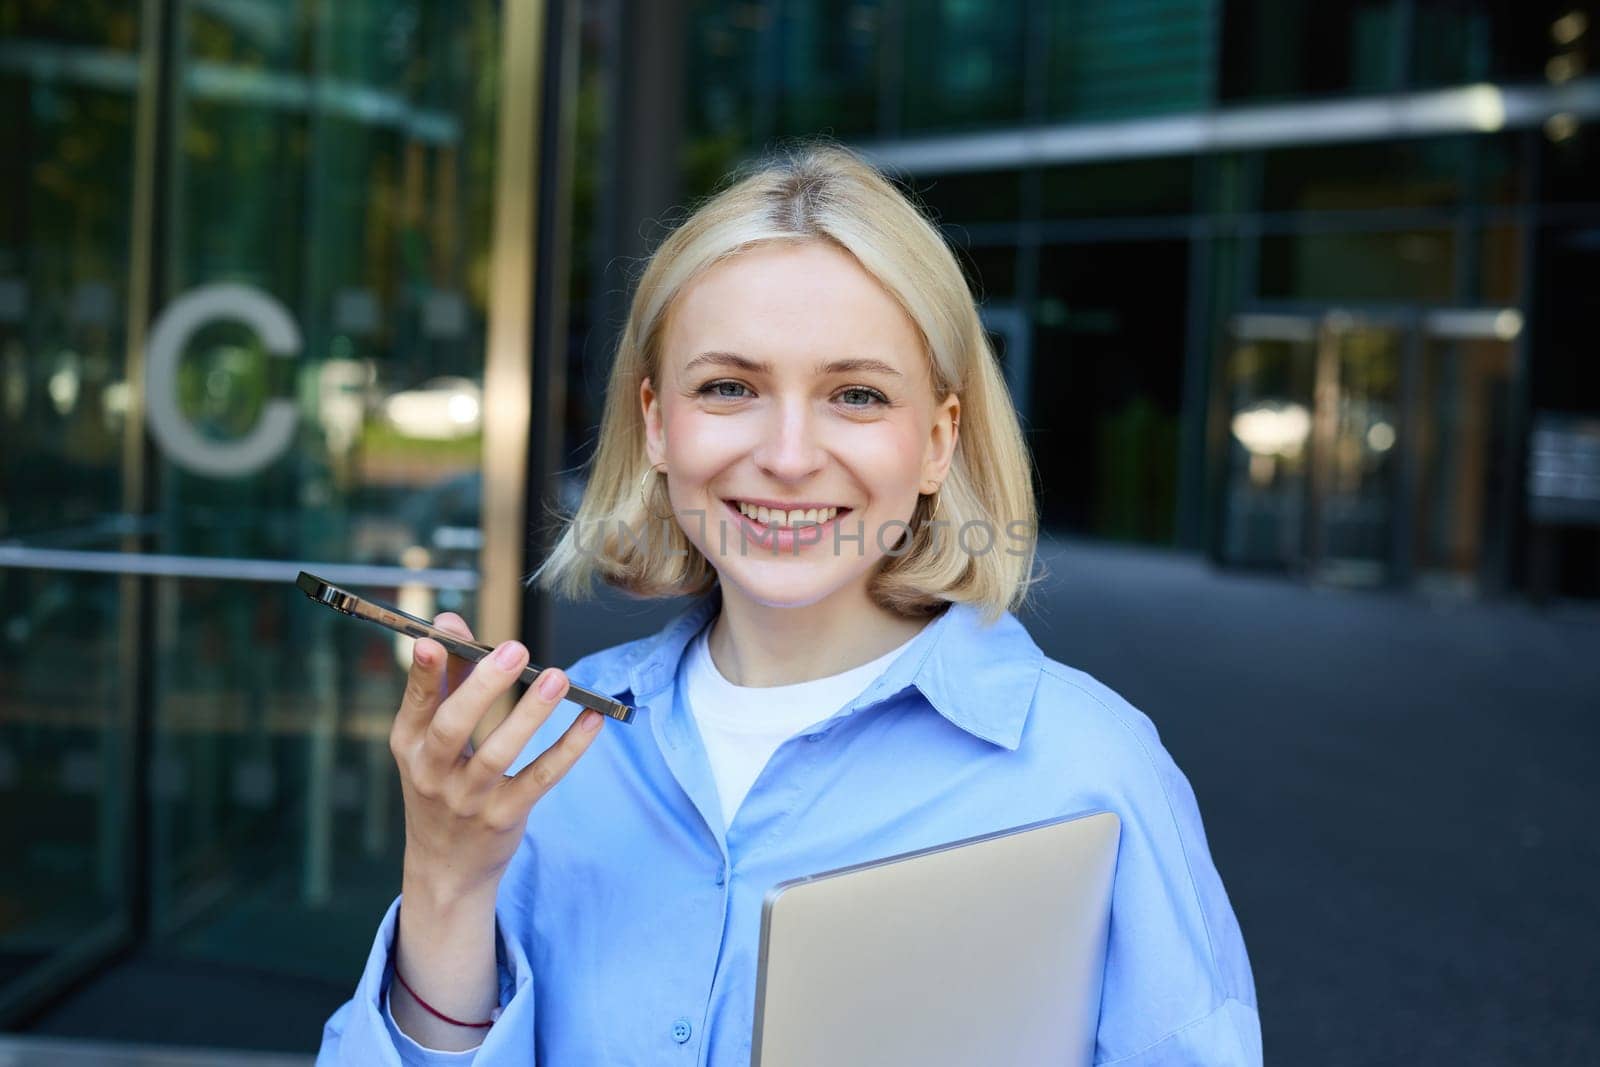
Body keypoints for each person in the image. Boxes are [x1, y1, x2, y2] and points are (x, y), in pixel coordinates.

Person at [315, 142, 1261, 1066]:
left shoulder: (1088, 767)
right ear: (655, 423)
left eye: (855, 394)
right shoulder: (542, 754)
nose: (791, 454)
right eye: (730, 387)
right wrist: (445, 878)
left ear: (937, 442)